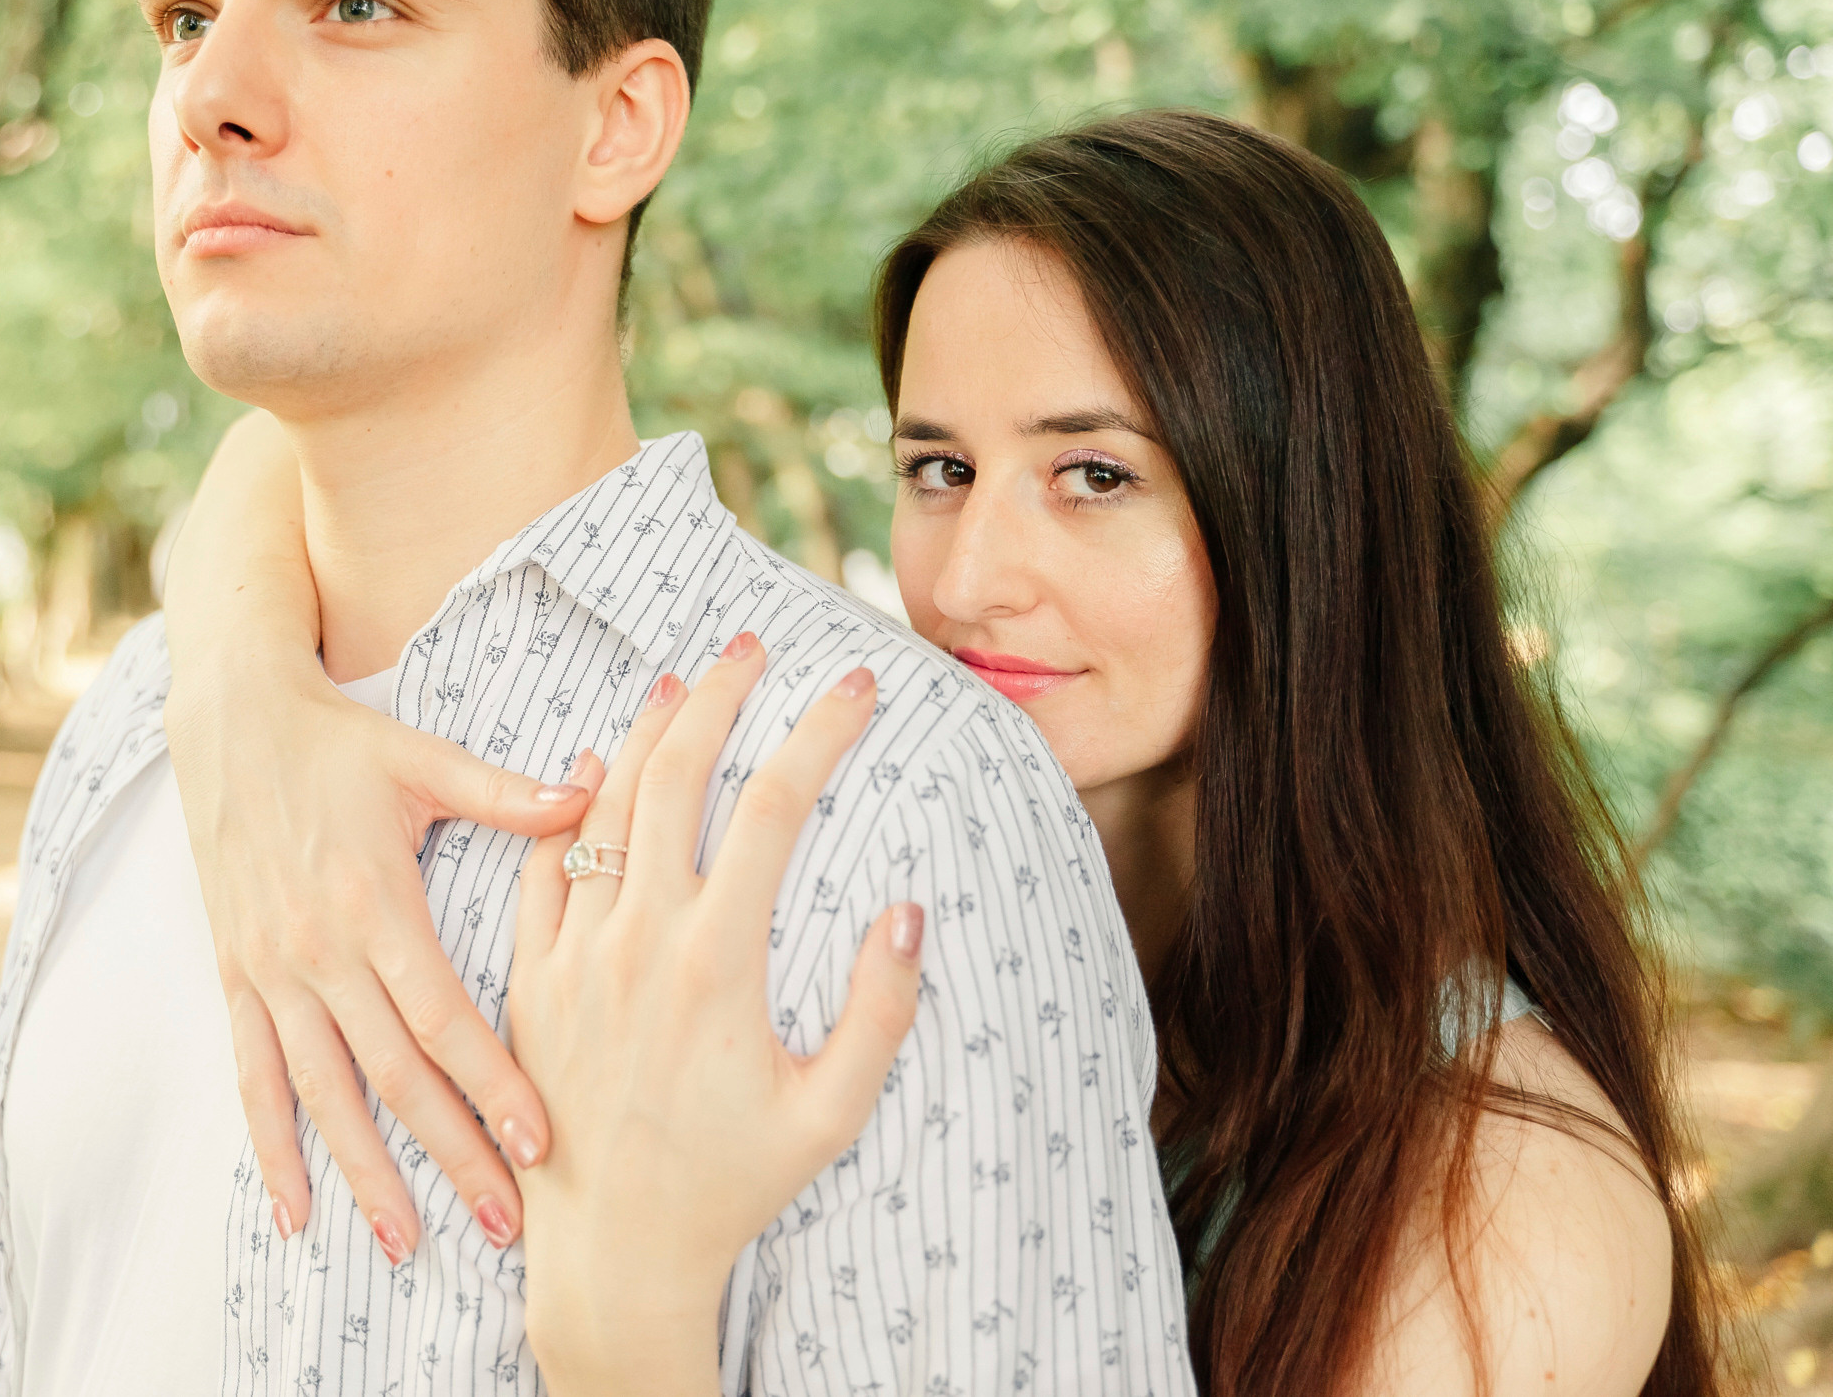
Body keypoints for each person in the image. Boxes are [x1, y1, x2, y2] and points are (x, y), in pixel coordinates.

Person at [160, 113, 1726, 1394]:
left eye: (1095, 473)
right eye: (942, 465)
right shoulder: (909, 869)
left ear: (1311, 513)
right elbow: (268, 464)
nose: (972, 576)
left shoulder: (1505, 1201)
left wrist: (624, 1330)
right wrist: (243, 707)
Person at [0, 0, 1194, 1391]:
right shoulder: (131, 733)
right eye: (185, 15)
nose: (210, 97)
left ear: (617, 126)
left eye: (353, 4)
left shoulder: (887, 810)